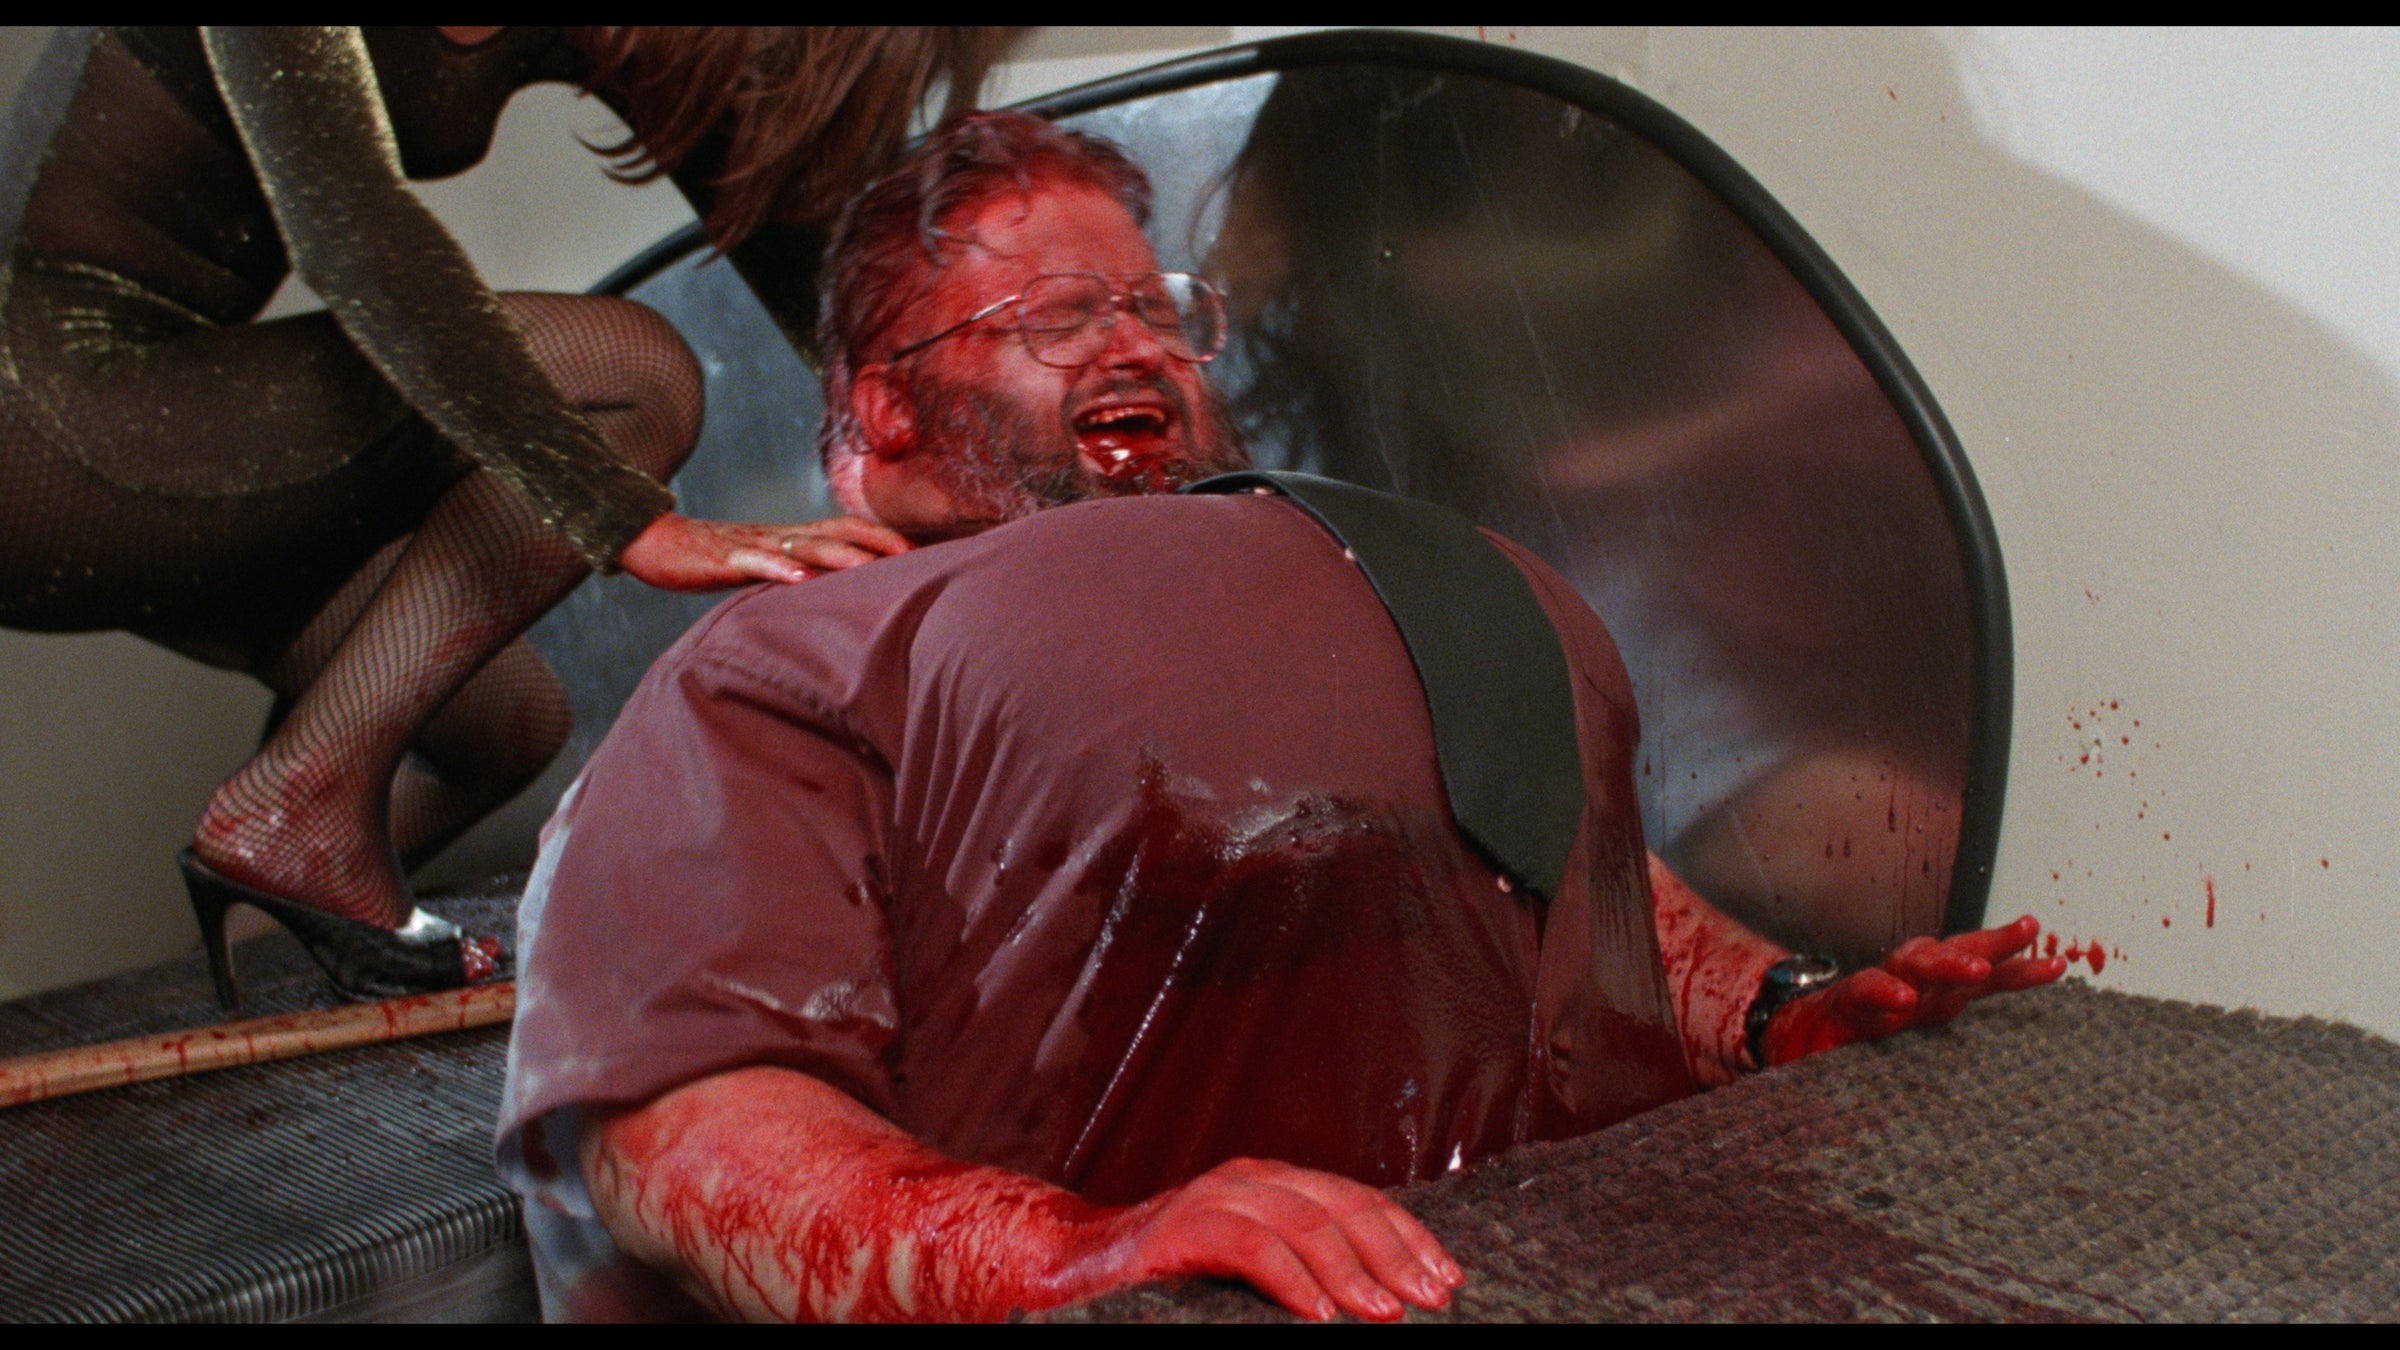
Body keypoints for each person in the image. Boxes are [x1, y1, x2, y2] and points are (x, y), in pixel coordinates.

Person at [497, 112, 2064, 1323]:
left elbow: (1551, 860)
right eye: (1055, 317)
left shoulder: (1393, 579)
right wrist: (1078, 1253)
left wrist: (1780, 1015)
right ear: (879, 413)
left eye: (1154, 306)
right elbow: (676, 1132)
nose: (1133, 344)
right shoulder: (787, 665)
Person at [0, 27, 1010, 1002]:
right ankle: (291, 815)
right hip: (39, 423)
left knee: (502, 731)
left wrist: (951, 464)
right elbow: (357, 235)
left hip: (158, 428)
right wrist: (631, 522)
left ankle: (248, 952)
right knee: (631, 378)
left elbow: (782, 224)